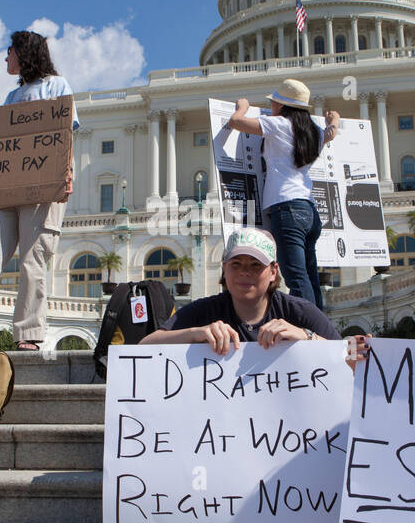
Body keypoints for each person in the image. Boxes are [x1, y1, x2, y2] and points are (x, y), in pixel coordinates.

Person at [0, 30, 77, 352]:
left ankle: (29, 332)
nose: (5, 57)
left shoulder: (57, 85)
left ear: (24, 52)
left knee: (33, 259)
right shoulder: (12, 97)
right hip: (5, 185)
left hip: (43, 184)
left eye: (9, 51)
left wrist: (64, 174)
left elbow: (65, 132)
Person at [226, 78, 340, 310]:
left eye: (275, 102)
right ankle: (319, 328)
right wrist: (334, 121)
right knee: (309, 276)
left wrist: (243, 106)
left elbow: (236, 122)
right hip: (308, 210)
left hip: (286, 207)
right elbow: (330, 134)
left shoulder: (278, 124)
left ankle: (308, 330)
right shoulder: (314, 133)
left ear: (282, 106)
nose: (272, 106)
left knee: (296, 278)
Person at [142, 227, 340, 353]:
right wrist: (196, 333)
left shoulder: (299, 311)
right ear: (224, 268)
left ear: (273, 271)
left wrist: (306, 336)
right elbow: (144, 347)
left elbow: (349, 354)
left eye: (255, 265)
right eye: (236, 264)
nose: (244, 272)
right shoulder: (204, 311)